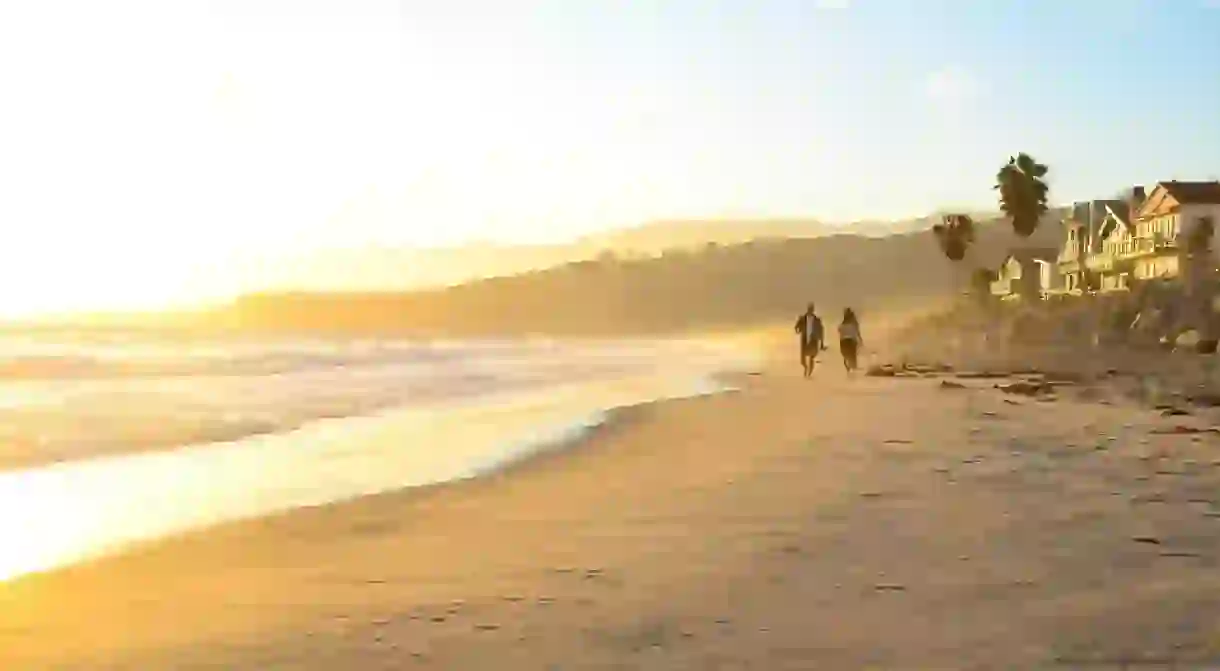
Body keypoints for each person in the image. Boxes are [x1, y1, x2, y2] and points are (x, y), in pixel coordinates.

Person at [793, 303, 825, 378]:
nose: (810, 310)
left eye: (811, 309)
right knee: (802, 359)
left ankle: (809, 373)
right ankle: (806, 368)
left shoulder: (817, 320)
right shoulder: (802, 318)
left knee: (811, 357)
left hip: (813, 339)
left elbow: (821, 330)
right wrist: (797, 330)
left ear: (813, 310)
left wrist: (822, 342)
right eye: (809, 308)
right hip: (804, 339)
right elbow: (796, 326)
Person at [838, 307, 863, 373]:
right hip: (850, 341)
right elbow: (857, 331)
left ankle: (850, 370)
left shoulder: (844, 322)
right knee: (851, 356)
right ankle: (852, 371)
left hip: (845, 341)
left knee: (846, 356)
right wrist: (860, 340)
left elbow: (839, 330)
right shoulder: (853, 322)